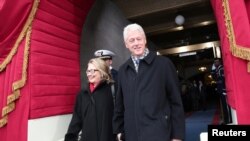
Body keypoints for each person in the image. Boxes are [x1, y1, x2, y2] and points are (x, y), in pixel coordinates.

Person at [113, 23, 185, 141]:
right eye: (131, 40)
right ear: (126, 44)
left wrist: (177, 136)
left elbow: (176, 102)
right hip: (132, 136)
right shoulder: (122, 71)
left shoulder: (164, 64)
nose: (136, 43)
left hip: (160, 134)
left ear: (145, 40)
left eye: (139, 39)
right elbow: (119, 106)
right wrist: (118, 132)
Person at [64, 58, 115, 141]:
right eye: (88, 71)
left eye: (92, 71)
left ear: (102, 71)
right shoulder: (82, 95)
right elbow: (76, 120)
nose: (89, 74)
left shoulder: (112, 90)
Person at [211, 58, 232, 124]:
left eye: (216, 62)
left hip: (223, 90)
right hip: (221, 90)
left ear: (219, 62)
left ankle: (228, 120)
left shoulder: (221, 69)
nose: (215, 63)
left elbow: (223, 79)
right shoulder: (217, 69)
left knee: (226, 106)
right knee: (223, 106)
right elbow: (214, 78)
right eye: (214, 62)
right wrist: (213, 70)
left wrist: (224, 90)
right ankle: (226, 119)